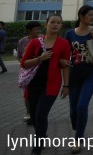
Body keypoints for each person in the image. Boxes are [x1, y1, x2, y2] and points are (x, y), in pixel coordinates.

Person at [20, 15, 71, 154]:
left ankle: (36, 148)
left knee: (41, 114)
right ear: (46, 24)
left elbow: (66, 65)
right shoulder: (35, 42)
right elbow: (23, 63)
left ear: (61, 26)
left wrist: (66, 86)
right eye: (52, 22)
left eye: (59, 23)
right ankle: (42, 137)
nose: (55, 25)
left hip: (51, 85)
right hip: (33, 84)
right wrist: (39, 58)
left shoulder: (64, 43)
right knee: (34, 116)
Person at [65, 5, 93, 153]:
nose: (92, 18)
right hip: (73, 75)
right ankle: (79, 126)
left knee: (82, 106)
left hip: (90, 74)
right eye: (89, 15)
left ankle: (78, 139)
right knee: (73, 111)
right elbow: (65, 53)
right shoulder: (70, 33)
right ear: (81, 16)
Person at [17, 21, 43, 124]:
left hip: (40, 70)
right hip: (27, 72)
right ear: (29, 31)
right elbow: (19, 57)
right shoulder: (22, 42)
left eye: (39, 29)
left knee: (40, 93)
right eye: (36, 29)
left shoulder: (42, 40)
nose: (38, 32)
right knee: (27, 94)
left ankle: (38, 113)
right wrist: (26, 66)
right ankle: (29, 113)